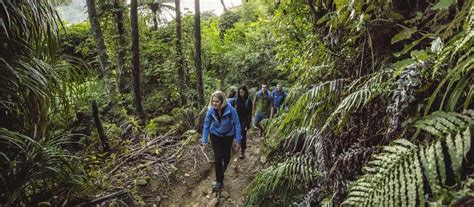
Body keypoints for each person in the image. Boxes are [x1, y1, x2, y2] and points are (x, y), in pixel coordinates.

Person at [202, 91, 242, 192]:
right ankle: (219, 181)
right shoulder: (210, 111)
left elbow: (237, 124)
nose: (214, 103)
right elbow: (206, 125)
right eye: (213, 101)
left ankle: (223, 168)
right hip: (215, 134)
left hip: (228, 135)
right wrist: (204, 141)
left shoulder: (231, 110)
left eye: (217, 101)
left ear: (222, 101)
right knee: (218, 157)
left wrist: (238, 140)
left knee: (226, 156)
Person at [234, 85, 252, 159]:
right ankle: (236, 147)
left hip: (244, 120)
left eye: (242, 92)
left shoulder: (248, 100)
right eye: (240, 92)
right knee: (236, 134)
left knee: (243, 135)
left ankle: (242, 150)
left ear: (245, 92)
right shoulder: (236, 99)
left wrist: (247, 124)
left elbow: (249, 113)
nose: (241, 93)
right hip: (237, 119)